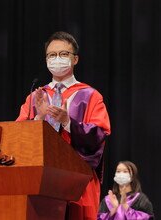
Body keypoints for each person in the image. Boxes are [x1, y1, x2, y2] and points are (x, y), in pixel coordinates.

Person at [16, 31, 111, 219]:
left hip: (78, 181)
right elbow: (18, 139)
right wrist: (39, 119)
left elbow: (99, 137)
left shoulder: (90, 96)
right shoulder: (35, 97)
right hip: (40, 182)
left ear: (75, 59)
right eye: (51, 55)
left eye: (63, 54)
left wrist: (67, 122)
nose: (56, 59)